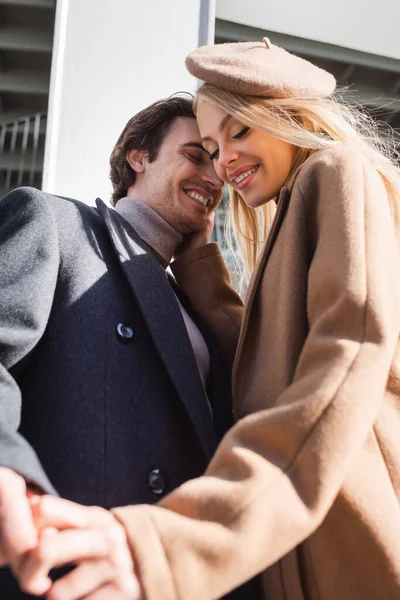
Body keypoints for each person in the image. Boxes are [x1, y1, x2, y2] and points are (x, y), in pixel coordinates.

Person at [17, 39, 400, 600]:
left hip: (335, 537)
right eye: (205, 150)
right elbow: (255, 370)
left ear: (286, 113)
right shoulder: (60, 225)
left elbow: (342, 364)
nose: (222, 168)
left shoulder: (333, 172)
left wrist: (180, 541)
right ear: (136, 157)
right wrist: (196, 260)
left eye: (236, 134)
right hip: (291, 546)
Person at [0, 94, 251, 599]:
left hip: (160, 573)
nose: (214, 176)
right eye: (194, 155)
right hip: (62, 563)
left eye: (218, 165)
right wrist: (7, 470)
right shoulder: (57, 223)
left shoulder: (188, 299)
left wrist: (199, 262)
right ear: (139, 156)